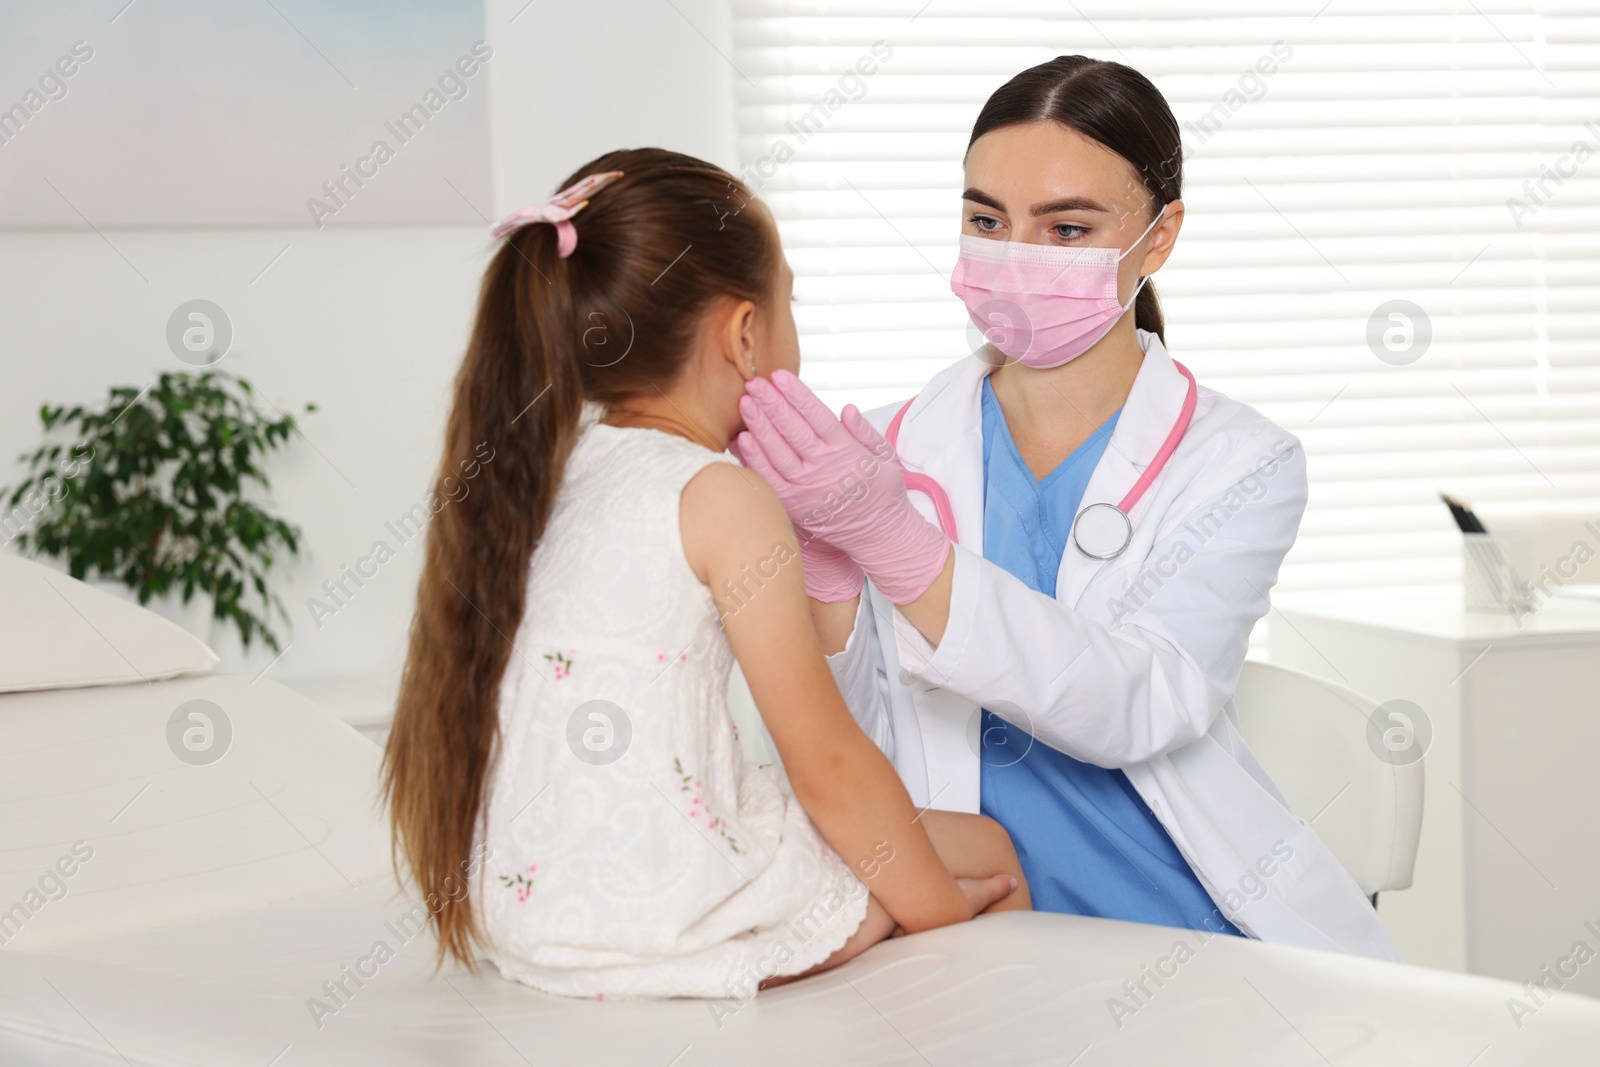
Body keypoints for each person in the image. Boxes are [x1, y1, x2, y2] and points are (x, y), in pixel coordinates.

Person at [734, 57, 1399, 960]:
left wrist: (901, 548)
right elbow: (859, 746)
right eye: (986, 220)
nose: (1015, 258)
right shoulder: (883, 451)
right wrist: (830, 586)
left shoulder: (1242, 463)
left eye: (1067, 227)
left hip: (1172, 923)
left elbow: (1145, 704)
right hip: (970, 910)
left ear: (1158, 239)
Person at [380, 148, 1028, 1001]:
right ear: (744, 334)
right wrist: (935, 917)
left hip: (530, 915)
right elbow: (827, 761)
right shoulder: (721, 497)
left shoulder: (556, 472)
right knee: (993, 853)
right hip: (666, 915)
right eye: (790, 300)